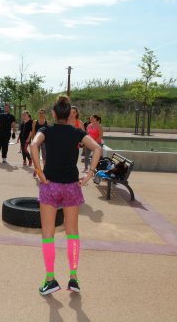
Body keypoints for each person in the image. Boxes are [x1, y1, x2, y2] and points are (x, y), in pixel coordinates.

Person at [30, 95, 102, 295]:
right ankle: (74, 278)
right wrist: (89, 174)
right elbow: (97, 148)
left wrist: (39, 171)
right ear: (69, 113)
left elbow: (33, 145)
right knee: (72, 232)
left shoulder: (46, 130)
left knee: (48, 233)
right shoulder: (77, 132)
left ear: (53, 113)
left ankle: (50, 279)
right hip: (71, 185)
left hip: (50, 184)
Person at [31, 109, 48, 174]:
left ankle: (45, 170)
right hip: (36, 142)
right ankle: (36, 170)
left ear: (44, 114)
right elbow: (33, 132)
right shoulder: (35, 122)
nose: (41, 114)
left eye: (42, 113)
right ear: (38, 114)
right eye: (40, 113)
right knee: (36, 157)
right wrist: (33, 141)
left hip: (44, 142)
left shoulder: (47, 122)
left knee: (45, 156)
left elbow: (48, 133)